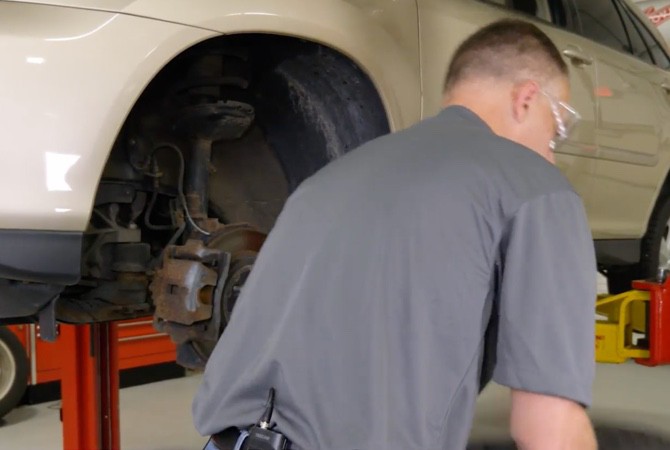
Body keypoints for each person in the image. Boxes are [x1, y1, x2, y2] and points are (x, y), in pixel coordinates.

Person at [192, 19, 598, 450]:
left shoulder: (329, 178)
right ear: (527, 99)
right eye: (556, 132)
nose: (551, 155)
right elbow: (550, 429)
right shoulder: (536, 186)